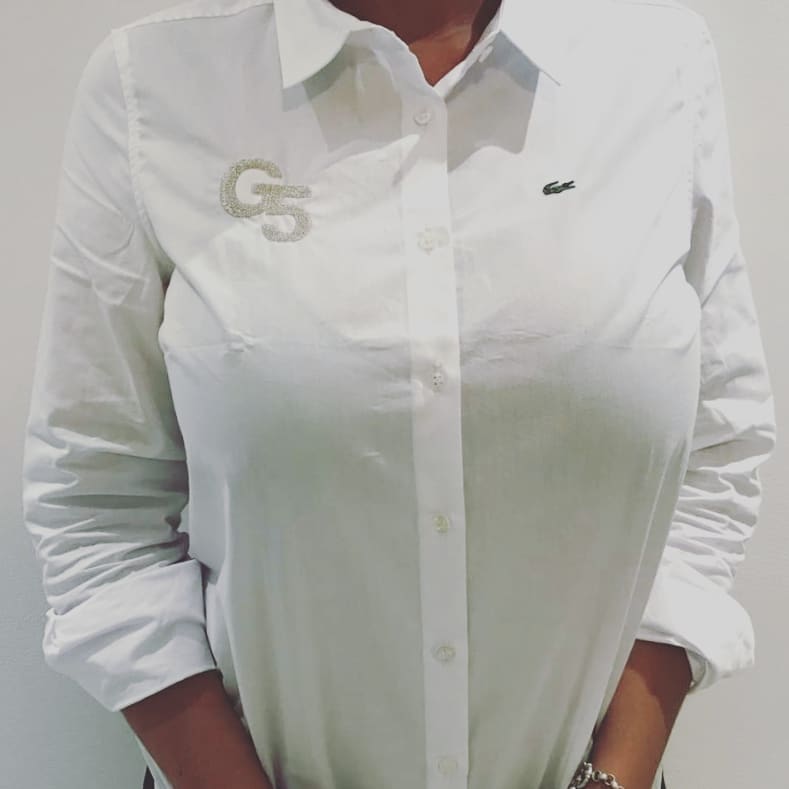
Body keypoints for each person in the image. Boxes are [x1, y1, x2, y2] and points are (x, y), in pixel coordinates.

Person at [21, 0, 777, 787]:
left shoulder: (655, 68)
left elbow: (717, 449)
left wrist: (615, 775)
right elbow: (95, 507)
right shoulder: (154, 90)